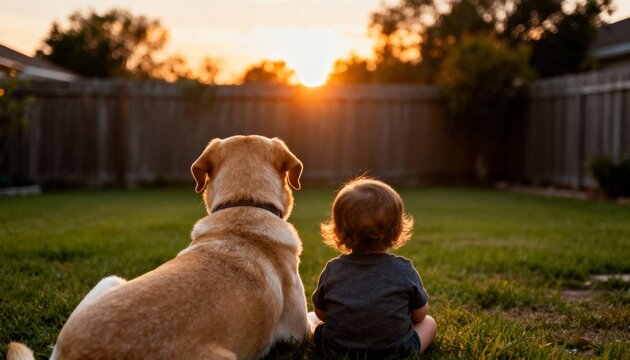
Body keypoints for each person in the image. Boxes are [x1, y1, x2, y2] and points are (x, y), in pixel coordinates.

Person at [309, 177, 437, 359]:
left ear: (337, 232)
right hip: (396, 352)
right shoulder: (404, 270)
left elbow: (322, 313)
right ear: (398, 231)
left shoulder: (333, 270)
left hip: (337, 352)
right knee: (430, 323)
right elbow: (420, 315)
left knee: (318, 325)